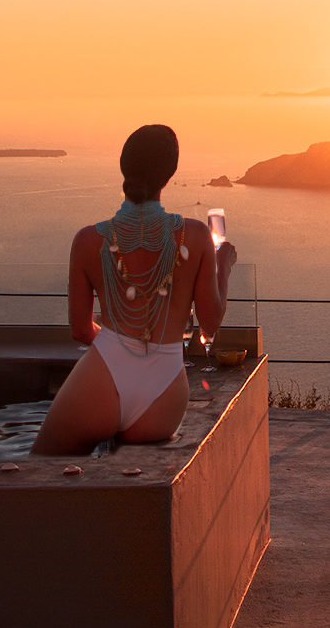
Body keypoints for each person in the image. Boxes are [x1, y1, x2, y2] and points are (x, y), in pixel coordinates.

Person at [31, 125, 236, 455]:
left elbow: (80, 330)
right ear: (168, 176)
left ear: (125, 168)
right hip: (166, 391)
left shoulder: (88, 241)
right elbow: (210, 324)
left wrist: (122, 351)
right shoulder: (196, 237)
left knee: (40, 470)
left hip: (103, 376)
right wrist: (222, 266)